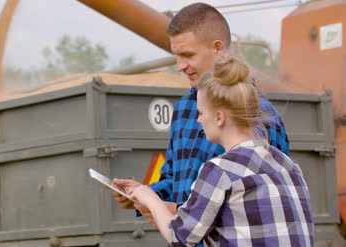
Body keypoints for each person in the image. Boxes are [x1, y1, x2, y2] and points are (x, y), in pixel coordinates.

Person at [111, 2, 289, 231]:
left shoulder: (261, 116)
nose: (180, 66)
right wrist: (143, 194)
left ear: (217, 48)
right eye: (176, 56)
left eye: (187, 55)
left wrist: (167, 209)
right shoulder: (184, 109)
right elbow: (175, 181)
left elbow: (262, 208)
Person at [130, 56, 314, 246]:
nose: (198, 120)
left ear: (219, 117)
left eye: (200, 113)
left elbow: (179, 237)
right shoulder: (288, 165)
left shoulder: (219, 171)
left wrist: (149, 197)